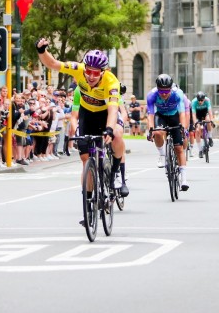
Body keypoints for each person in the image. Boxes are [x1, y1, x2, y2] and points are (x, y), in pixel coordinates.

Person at [35, 40, 126, 196]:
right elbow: (53, 64)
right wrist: (42, 51)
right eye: (88, 71)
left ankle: (117, 172)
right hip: (87, 114)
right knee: (86, 158)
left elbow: (112, 109)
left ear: (103, 72)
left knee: (117, 134)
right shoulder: (78, 69)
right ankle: (89, 203)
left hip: (105, 114)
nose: (90, 76)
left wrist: (110, 129)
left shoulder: (112, 82)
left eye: (95, 73)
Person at [146, 74, 189, 192]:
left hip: (175, 116)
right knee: (158, 132)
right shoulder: (151, 95)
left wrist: (183, 128)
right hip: (161, 116)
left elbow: (182, 113)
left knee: (179, 148)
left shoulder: (177, 94)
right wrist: (150, 129)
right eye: (161, 91)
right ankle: (163, 155)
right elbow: (150, 115)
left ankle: (184, 179)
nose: (164, 94)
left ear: (170, 89)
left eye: (166, 91)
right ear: (157, 89)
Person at [191, 91, 214, 158]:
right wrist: (195, 123)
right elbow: (193, 114)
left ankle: (210, 137)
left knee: (208, 120)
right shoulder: (194, 102)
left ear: (204, 99)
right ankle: (200, 150)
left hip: (205, 113)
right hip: (197, 114)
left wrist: (211, 120)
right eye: (199, 100)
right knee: (197, 130)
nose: (200, 102)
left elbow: (210, 111)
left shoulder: (207, 100)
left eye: (202, 100)